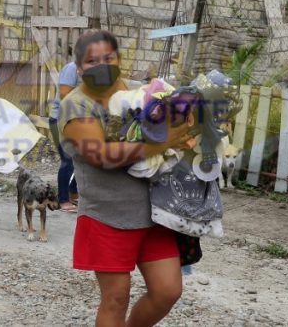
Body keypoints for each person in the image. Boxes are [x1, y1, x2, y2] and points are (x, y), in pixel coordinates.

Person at [59, 30, 194, 327]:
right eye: (92, 61)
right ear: (79, 68)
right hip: (108, 216)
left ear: (119, 59)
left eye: (108, 57)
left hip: (154, 213)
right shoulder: (76, 104)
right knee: (116, 298)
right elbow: (100, 155)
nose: (102, 65)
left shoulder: (145, 91)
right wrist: (160, 142)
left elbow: (184, 122)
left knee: (168, 291)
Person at [49, 59, 80, 213]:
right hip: (60, 119)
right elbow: (64, 96)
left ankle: (73, 192)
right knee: (67, 159)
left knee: (81, 158)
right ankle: (62, 199)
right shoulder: (72, 68)